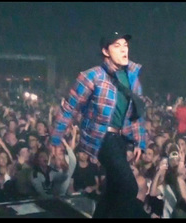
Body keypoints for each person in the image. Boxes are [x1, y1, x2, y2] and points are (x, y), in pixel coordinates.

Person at [50, 30, 147, 218]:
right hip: (101, 137)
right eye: (117, 46)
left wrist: (140, 141)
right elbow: (69, 108)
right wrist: (55, 140)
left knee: (113, 190)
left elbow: (137, 112)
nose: (123, 50)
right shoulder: (91, 76)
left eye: (125, 45)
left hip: (120, 138)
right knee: (129, 187)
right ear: (105, 51)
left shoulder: (132, 77)